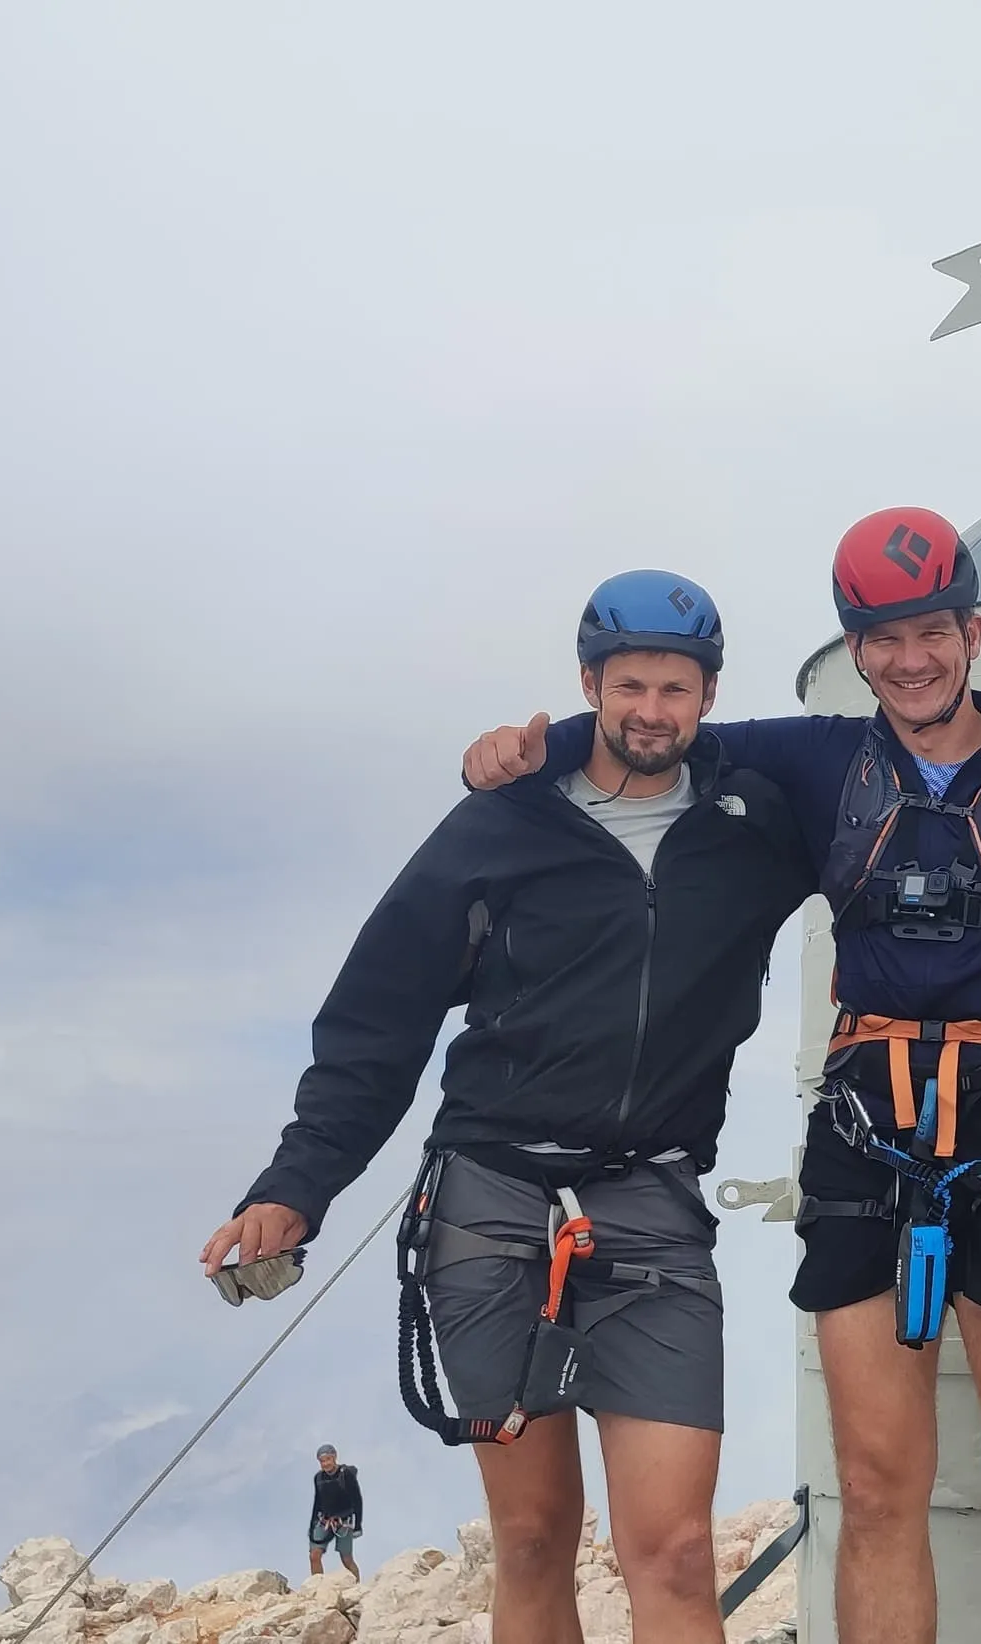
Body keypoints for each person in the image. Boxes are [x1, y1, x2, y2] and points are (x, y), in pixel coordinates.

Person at [463, 506, 981, 1644]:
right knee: (875, 1493)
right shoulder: (821, 758)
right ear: (854, 646)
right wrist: (511, 756)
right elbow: (653, 741)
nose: (909, 658)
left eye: (930, 631)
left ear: (973, 632)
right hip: (866, 1133)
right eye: (880, 637)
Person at [203, 572, 815, 1644]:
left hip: (652, 1201)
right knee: (532, 1539)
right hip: (488, 1205)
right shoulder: (500, 822)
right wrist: (296, 1188)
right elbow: (378, 1020)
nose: (652, 711)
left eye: (676, 688)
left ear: (708, 697)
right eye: (629, 685)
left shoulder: (756, 823)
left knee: (671, 1549)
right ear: (589, 684)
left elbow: (906, 773)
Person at [308, 1445, 364, 1578]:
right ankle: (317, 1586)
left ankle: (356, 1587)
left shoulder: (346, 1474)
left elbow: (357, 1500)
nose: (325, 1463)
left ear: (334, 1457)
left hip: (344, 1522)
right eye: (322, 1461)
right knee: (314, 1555)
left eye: (328, 1459)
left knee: (346, 1559)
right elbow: (317, 1502)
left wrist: (358, 1526)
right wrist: (312, 1525)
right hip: (325, 1521)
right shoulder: (319, 1478)